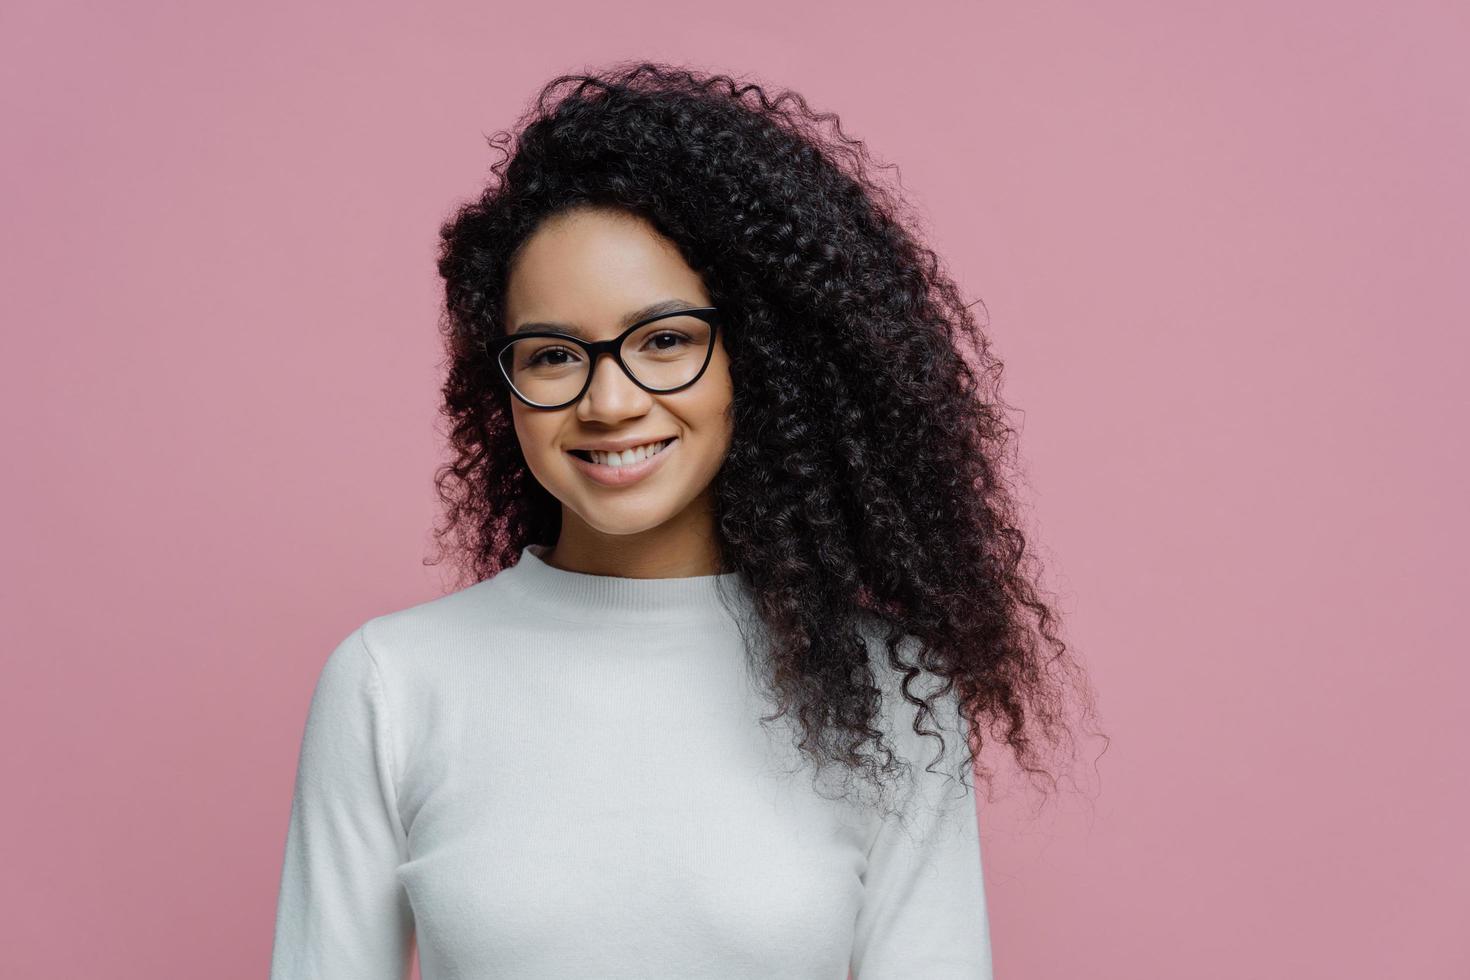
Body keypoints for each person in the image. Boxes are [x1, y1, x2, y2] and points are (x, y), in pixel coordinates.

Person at [269, 61, 1097, 979]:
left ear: (762, 356)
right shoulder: (391, 686)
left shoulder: (889, 692)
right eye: (552, 355)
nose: (609, 401)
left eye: (664, 340)